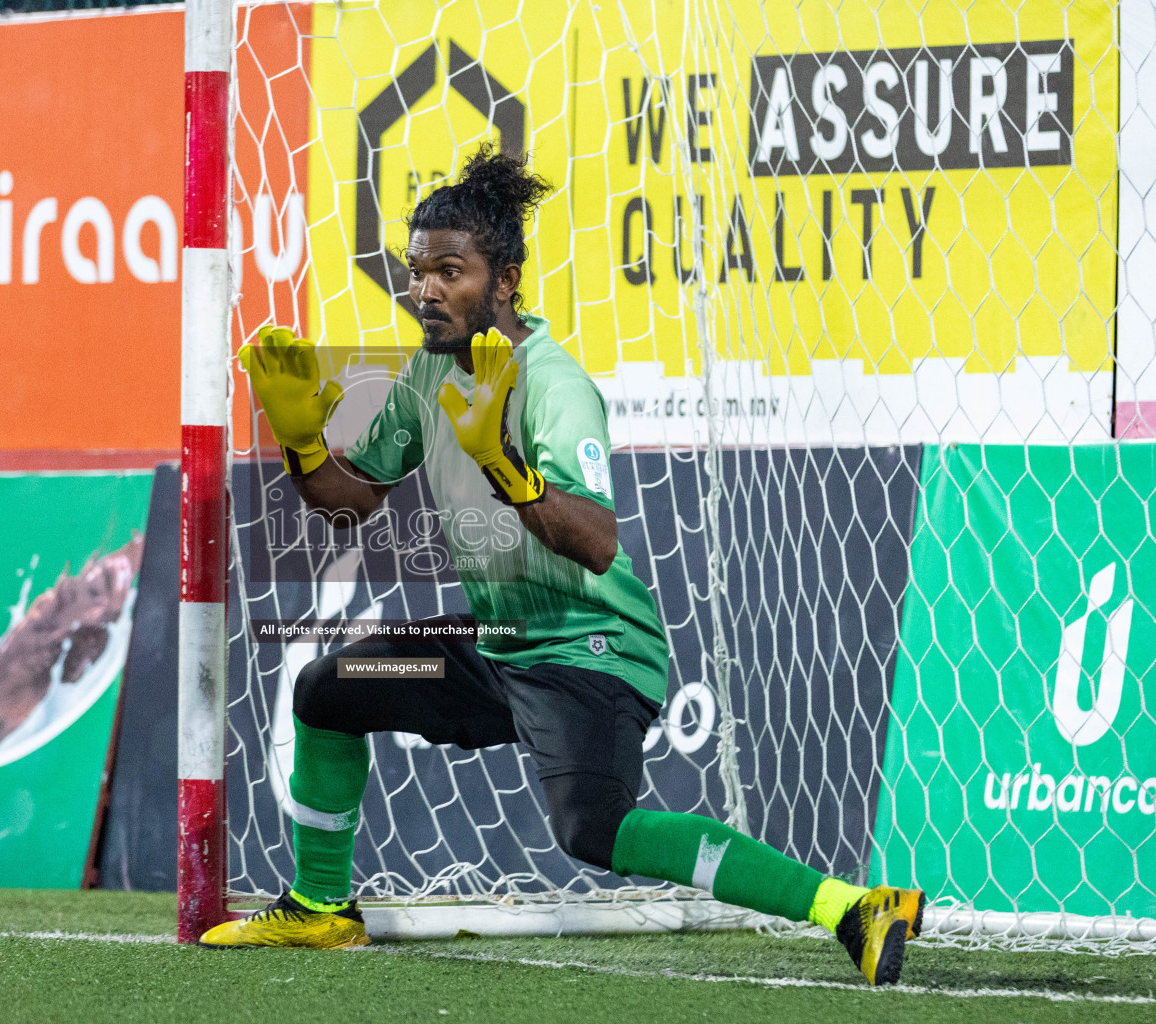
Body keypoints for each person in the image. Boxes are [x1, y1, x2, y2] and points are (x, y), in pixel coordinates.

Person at [200, 146, 924, 986]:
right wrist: (298, 442)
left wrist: (508, 469)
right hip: (497, 641)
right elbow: (350, 503)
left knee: (595, 831)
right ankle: (322, 911)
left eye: (450, 271)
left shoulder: (552, 385)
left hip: (589, 645)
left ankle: (851, 906)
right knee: (327, 691)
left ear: (503, 279)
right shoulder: (429, 374)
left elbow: (597, 540)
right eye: (417, 271)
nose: (426, 290)